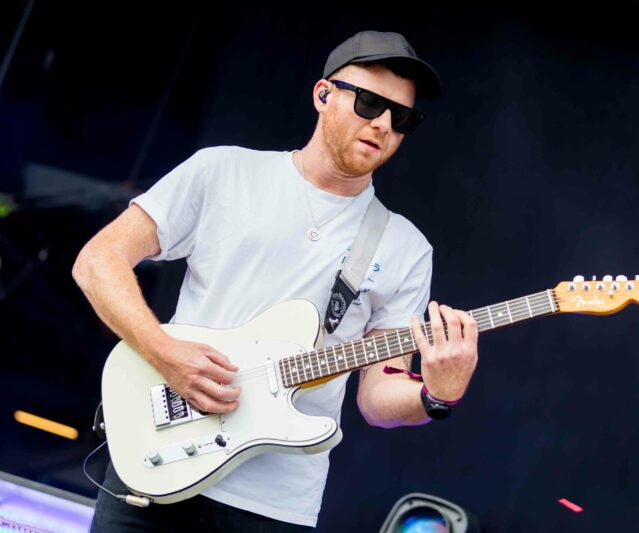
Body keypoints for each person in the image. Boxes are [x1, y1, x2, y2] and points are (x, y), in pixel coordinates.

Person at [73, 30, 479, 531]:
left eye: (402, 118)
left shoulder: (406, 248)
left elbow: (377, 399)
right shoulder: (223, 171)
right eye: (370, 103)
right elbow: (98, 260)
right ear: (323, 95)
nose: (382, 124)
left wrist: (437, 396)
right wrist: (164, 353)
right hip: (156, 468)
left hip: (273, 507)